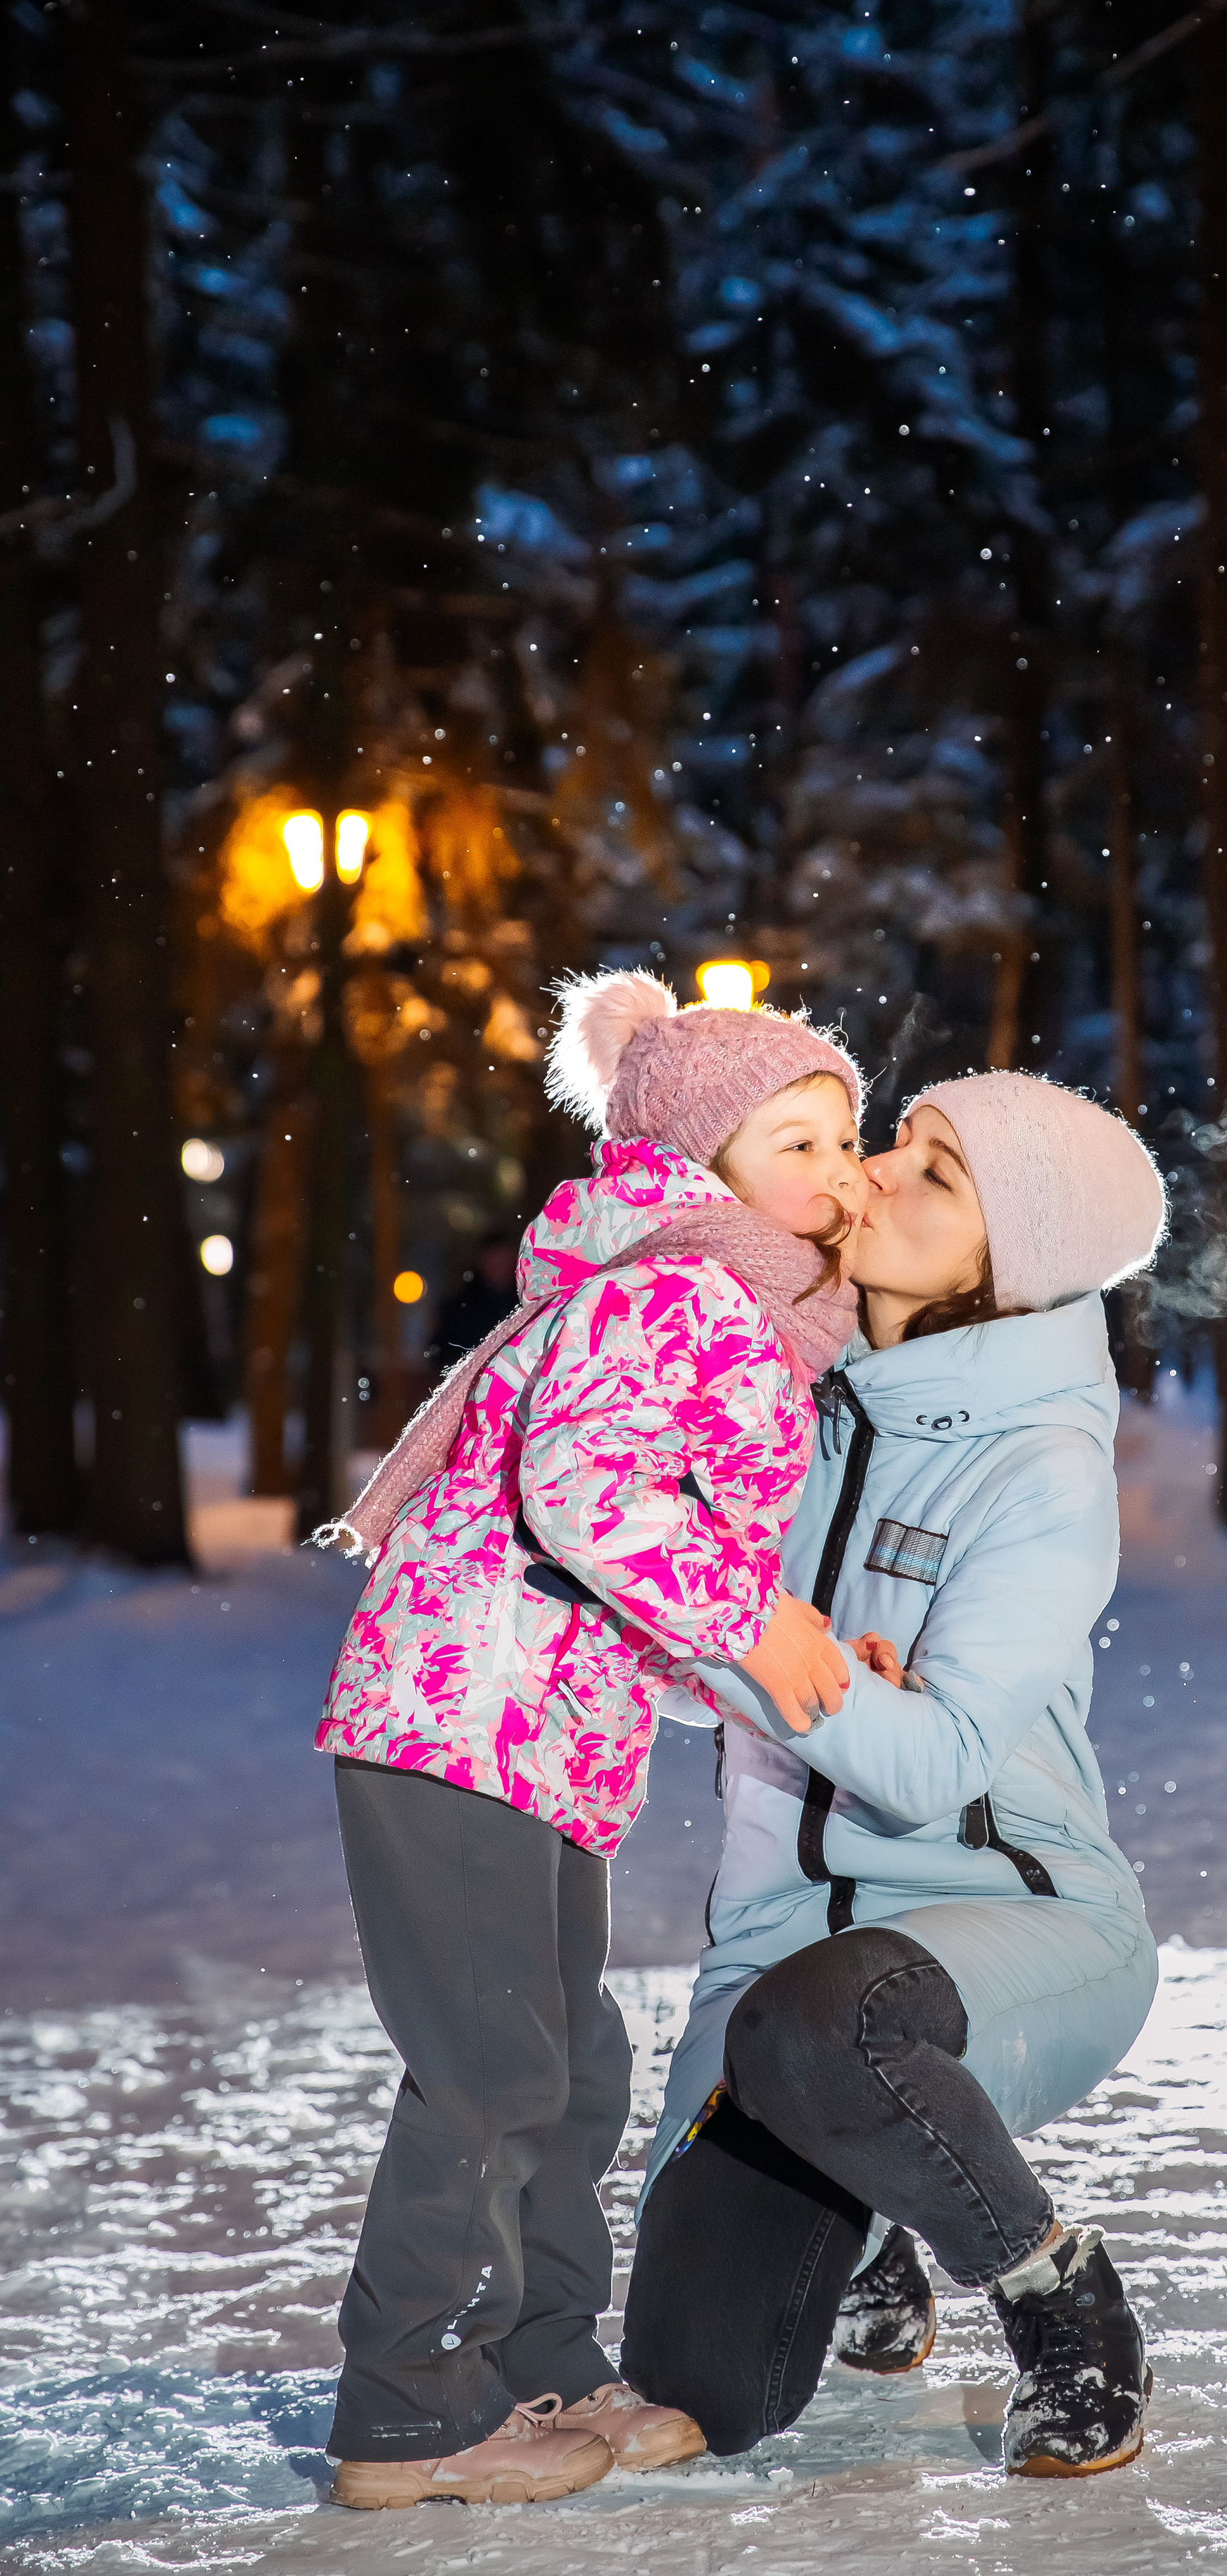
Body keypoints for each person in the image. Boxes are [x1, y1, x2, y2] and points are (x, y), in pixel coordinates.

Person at [313, 969, 868, 2510]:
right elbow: (582, 1494)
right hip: (460, 1721)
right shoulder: (675, 1289)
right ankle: (404, 2415)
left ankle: (536, 2364)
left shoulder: (734, 1304)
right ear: (701, 1161)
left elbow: (641, 1584)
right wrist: (752, 1619)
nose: (842, 1172)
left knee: (564, 2074)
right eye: (800, 1142)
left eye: (847, 1138)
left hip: (536, 1737)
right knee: (489, 2071)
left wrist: (782, 1649)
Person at [622, 1071, 1168, 2478]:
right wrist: (745, 1638)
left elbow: (925, 1765)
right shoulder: (775, 1404)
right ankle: (864, 2222)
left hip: (1010, 1927)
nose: (874, 1172)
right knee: (697, 2385)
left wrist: (762, 1636)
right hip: (768, 1955)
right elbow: (697, 1688)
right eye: (894, 1141)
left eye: (937, 1172)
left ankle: (1054, 2294)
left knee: (826, 2031)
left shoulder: (1038, 1469)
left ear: (1010, 1262)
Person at [424, 1229, 520, 1375]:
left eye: (502, 1257)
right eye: (492, 1258)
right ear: (480, 1261)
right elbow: (441, 1354)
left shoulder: (526, 1301)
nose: (498, 1264)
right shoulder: (461, 1308)